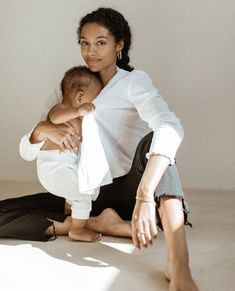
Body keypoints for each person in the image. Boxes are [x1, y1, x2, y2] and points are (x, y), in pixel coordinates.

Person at [10, 7, 199, 291]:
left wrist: (145, 195)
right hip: (81, 191)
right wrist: (41, 130)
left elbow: (170, 125)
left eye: (101, 42)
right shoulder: (72, 84)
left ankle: (179, 264)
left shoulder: (133, 82)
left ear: (119, 45)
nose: (91, 51)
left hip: (128, 190)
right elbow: (28, 150)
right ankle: (91, 223)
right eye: (85, 43)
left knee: (156, 144)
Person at [35, 65, 106, 242]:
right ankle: (77, 229)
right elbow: (54, 119)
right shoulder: (60, 109)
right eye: (96, 99)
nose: (95, 105)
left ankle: (69, 212)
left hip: (64, 168)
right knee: (83, 193)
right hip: (53, 168)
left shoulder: (81, 121)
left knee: (79, 190)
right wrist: (77, 111)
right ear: (80, 97)